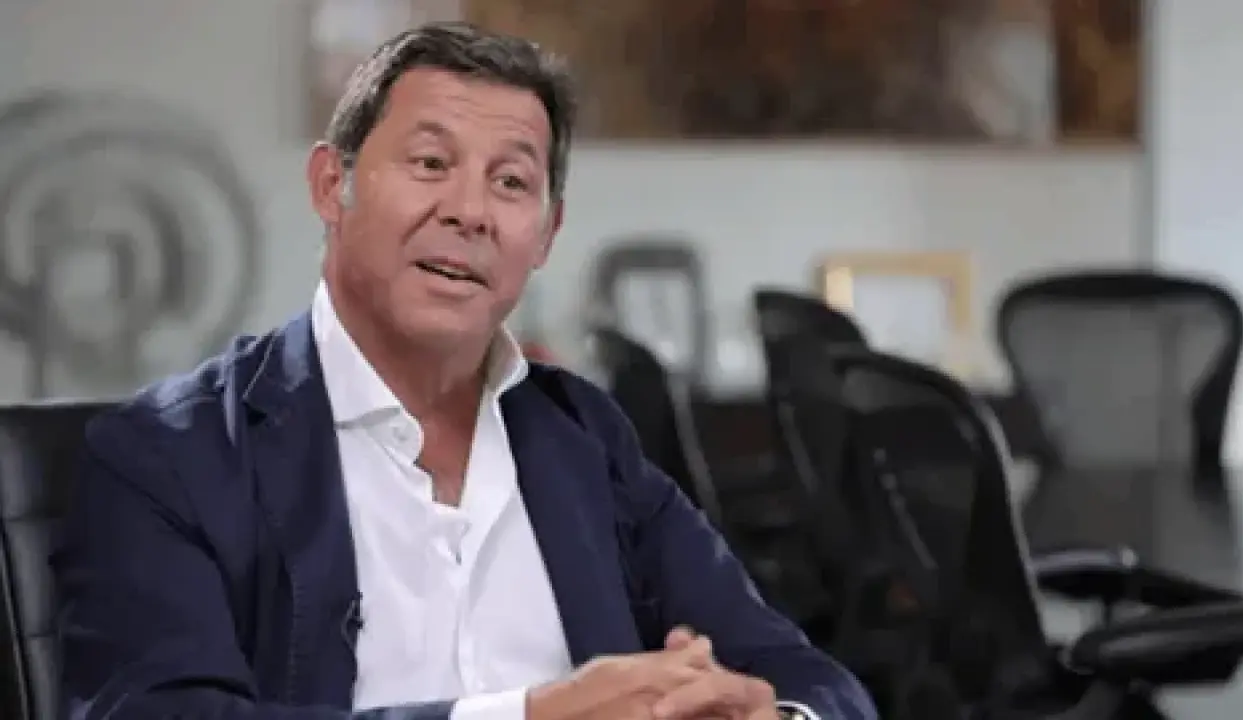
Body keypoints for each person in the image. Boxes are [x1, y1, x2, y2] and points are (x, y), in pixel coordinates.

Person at [53, 21, 877, 720]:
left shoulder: (585, 438)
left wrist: (769, 717)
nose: (470, 211)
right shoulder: (167, 455)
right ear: (331, 185)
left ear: (546, 234)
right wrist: (528, 716)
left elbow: (809, 677)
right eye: (429, 164)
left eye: (511, 182)